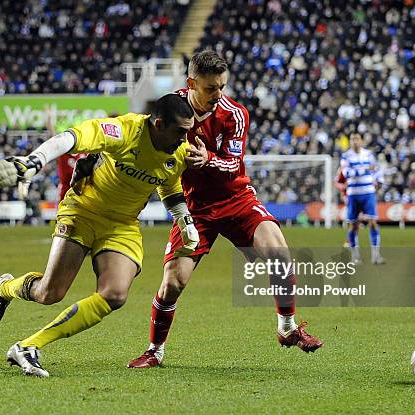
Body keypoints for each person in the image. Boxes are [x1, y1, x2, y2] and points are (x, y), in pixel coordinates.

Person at [128, 51, 323, 369]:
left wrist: (209, 160)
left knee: (279, 254)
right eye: (210, 88)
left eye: (222, 86)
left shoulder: (235, 114)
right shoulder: (169, 110)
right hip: (194, 208)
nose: (218, 94)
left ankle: (287, 327)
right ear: (191, 83)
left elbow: (233, 164)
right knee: (173, 282)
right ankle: (154, 350)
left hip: (237, 198)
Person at [0, 94, 199, 377]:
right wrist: (34, 161)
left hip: (122, 225)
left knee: (115, 294)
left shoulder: (178, 153)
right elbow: (71, 138)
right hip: (83, 211)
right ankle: (6, 288)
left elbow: (168, 188)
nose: (185, 139)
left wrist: (185, 221)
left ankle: (27, 346)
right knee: (50, 293)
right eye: (180, 132)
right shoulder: (125, 130)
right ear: (158, 124)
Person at [340, 133, 384, 265]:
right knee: (353, 225)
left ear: (361, 141)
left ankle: (376, 256)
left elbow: (376, 170)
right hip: (353, 194)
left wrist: (379, 181)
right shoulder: (346, 156)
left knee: (373, 222)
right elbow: (346, 173)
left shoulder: (369, 155)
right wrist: (364, 169)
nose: (354, 142)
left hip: (368, 193)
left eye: (357, 139)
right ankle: (355, 257)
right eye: (352, 139)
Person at [44, 106, 86, 201]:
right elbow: (53, 134)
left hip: (83, 194)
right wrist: (49, 118)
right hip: (66, 194)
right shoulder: (64, 150)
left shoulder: (85, 151)